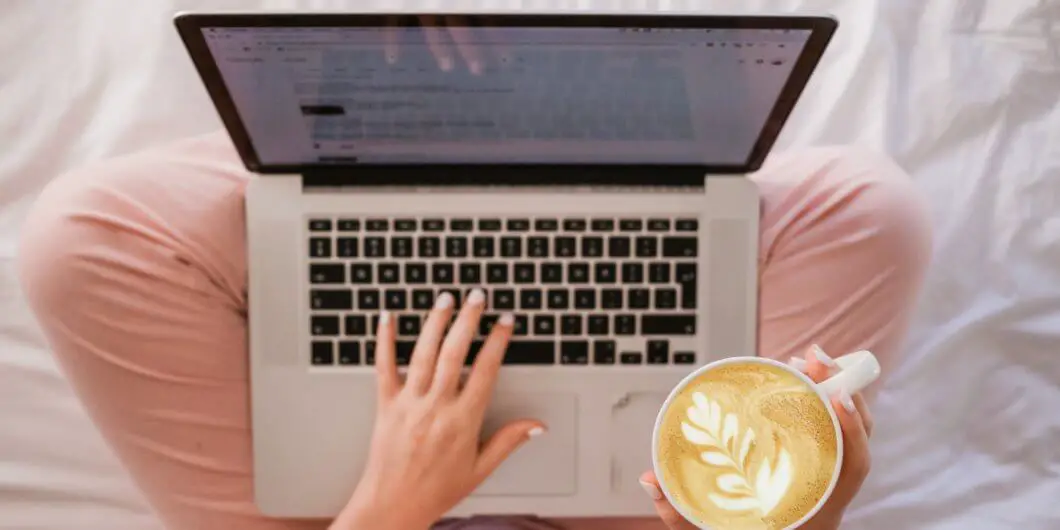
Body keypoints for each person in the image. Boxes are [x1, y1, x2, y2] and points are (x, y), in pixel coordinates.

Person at [17, 131, 932, 530]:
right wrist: (806, 517)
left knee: (82, 237)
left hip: (344, 514)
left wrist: (390, 502)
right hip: (655, 511)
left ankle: (385, 145)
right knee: (871, 210)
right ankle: (528, 149)